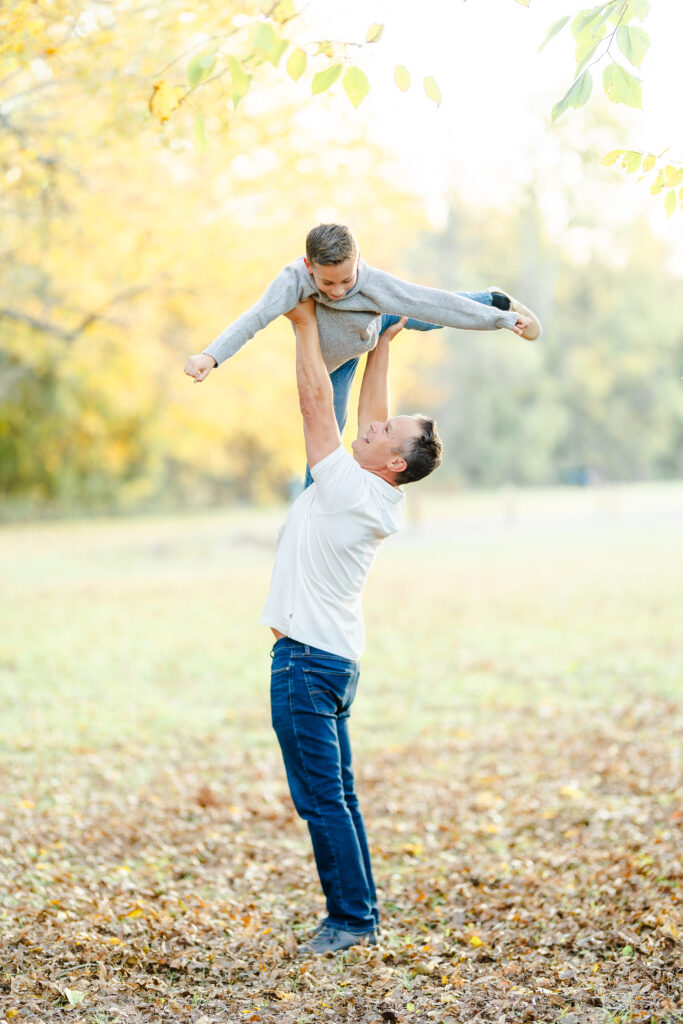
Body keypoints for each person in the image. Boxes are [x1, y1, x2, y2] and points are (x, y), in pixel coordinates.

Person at [262, 298, 442, 954]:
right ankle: (357, 913)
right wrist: (383, 346)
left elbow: (316, 407)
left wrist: (305, 328)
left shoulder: (345, 485)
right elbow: (369, 420)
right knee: (337, 795)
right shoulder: (374, 486)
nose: (368, 429)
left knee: (322, 800)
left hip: (306, 667)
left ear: (391, 461)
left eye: (382, 434)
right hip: (330, 663)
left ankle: (349, 920)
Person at [183, 225, 538, 485]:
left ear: (357, 262)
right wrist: (210, 356)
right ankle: (315, 506)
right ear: (310, 267)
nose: (337, 291)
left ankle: (496, 301)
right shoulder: (291, 281)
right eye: (327, 284)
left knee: (426, 318)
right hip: (333, 361)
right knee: (324, 438)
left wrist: (499, 320)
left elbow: (432, 302)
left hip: (372, 321)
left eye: (346, 280)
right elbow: (255, 317)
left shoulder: (373, 284)